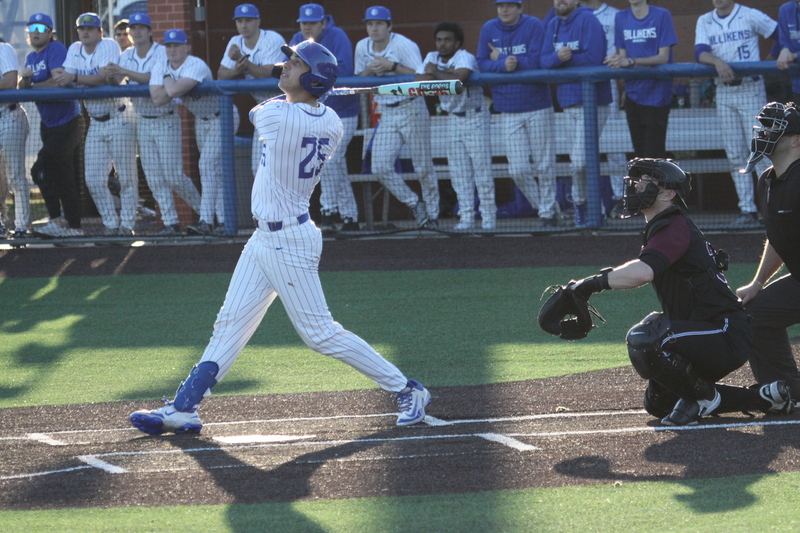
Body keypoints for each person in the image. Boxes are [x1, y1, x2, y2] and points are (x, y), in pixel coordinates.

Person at [129, 40, 431, 435]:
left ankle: (407, 388)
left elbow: (260, 110)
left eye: (295, 63)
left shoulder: (278, 118)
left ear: (314, 77)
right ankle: (185, 407)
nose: (284, 65)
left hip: (289, 241)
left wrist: (297, 89)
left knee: (320, 334)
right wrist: (306, 88)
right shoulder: (331, 122)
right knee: (230, 323)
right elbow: (295, 100)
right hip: (265, 238)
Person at [553, 157, 793, 425]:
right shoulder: (663, 224)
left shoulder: (673, 224)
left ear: (668, 193)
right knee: (658, 403)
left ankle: (704, 398)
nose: (636, 187)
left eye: (646, 183)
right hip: (705, 330)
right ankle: (761, 399)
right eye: (636, 182)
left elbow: (643, 272)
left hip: (724, 331)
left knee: (647, 338)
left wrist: (587, 285)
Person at [106, 12, 202, 236]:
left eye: (141, 27)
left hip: (165, 117)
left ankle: (206, 214)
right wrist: (111, 73)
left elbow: (153, 78)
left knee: (173, 175)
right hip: (142, 119)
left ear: (150, 31)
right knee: (153, 177)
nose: (136, 31)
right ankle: (170, 222)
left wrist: (124, 72)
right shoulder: (126, 54)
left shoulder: (162, 51)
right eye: (133, 28)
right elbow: (116, 81)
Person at [736, 101, 800, 403]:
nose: (763, 133)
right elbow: (777, 238)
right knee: (753, 313)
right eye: (762, 127)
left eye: (773, 129)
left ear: (795, 139)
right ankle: (785, 390)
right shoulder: (767, 180)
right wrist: (758, 283)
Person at [696, 0, 778, 228]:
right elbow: (700, 52)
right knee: (735, 154)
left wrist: (772, 60)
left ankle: (769, 209)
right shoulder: (705, 20)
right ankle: (746, 210)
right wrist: (718, 61)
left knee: (760, 152)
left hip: (750, 89)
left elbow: (780, 35)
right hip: (724, 91)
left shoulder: (750, 15)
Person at [355, 5, 438, 229]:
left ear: (389, 26)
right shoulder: (362, 46)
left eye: (379, 24)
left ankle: (433, 215)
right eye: (370, 24)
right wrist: (370, 72)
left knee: (422, 167)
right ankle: (414, 203)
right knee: (380, 166)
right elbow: (357, 79)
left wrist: (391, 66)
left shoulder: (403, 44)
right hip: (387, 111)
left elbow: (421, 77)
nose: (374, 28)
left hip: (411, 107)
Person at [477, 1, 558, 226]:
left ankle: (547, 215)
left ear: (520, 8)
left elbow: (538, 61)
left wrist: (504, 59)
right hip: (508, 107)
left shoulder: (533, 25)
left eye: (510, 6)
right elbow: (481, 62)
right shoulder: (489, 28)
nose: (504, 10)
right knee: (517, 169)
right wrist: (503, 63)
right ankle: (546, 207)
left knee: (544, 165)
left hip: (538, 105)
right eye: (500, 5)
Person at [152, 29, 238, 236]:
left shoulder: (195, 64)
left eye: (176, 45)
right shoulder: (160, 64)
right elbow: (157, 99)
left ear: (186, 47)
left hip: (223, 116)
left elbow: (171, 92)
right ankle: (222, 221)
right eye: (169, 46)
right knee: (212, 170)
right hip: (201, 120)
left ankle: (206, 221)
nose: (172, 50)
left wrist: (166, 79)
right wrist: (169, 81)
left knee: (207, 164)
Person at [62, 12, 138, 236]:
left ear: (99, 32)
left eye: (90, 28)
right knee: (93, 180)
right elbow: (65, 78)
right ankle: (111, 224)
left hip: (119, 117)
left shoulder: (108, 45)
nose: (85, 32)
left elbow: (103, 78)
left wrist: (75, 79)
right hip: (96, 121)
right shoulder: (74, 49)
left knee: (126, 177)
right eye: (81, 28)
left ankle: (127, 225)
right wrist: (69, 78)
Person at [415, 22, 495, 232]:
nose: (442, 44)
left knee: (482, 171)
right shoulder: (431, 56)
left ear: (457, 42)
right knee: (459, 173)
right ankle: (466, 217)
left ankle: (489, 220)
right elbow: (419, 80)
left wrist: (436, 74)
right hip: (452, 119)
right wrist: (441, 74)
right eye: (439, 39)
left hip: (475, 116)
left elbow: (458, 81)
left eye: (447, 39)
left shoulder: (464, 56)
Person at [289, 3, 361, 234]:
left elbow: (346, 71)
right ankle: (350, 217)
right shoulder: (298, 38)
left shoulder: (336, 35)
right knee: (330, 161)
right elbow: (291, 72)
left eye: (312, 23)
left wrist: (310, 74)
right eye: (304, 23)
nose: (307, 27)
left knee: (331, 158)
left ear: (323, 22)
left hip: (344, 111)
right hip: (316, 112)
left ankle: (330, 211)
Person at [541, 0, 612, 228]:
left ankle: (582, 204)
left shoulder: (588, 19)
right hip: (568, 101)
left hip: (594, 102)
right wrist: (557, 58)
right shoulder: (552, 23)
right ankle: (593, 210)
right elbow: (543, 61)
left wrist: (565, 59)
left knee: (581, 161)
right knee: (578, 160)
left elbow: (594, 58)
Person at [19, 13, 85, 238]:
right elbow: (24, 85)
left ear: (49, 31)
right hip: (48, 124)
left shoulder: (55, 49)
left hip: (68, 121)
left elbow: (58, 81)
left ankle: (57, 220)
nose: (35, 32)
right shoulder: (30, 57)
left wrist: (32, 87)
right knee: (62, 176)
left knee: (39, 170)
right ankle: (74, 229)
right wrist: (26, 80)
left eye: (40, 27)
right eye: (31, 28)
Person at [218, 3, 285, 177]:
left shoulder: (272, 39)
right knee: (259, 169)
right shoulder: (235, 42)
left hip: (284, 107)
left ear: (258, 21)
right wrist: (236, 70)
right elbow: (221, 75)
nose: (244, 25)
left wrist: (242, 60)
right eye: (239, 21)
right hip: (263, 109)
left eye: (248, 20)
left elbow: (268, 74)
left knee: (280, 171)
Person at [605, 0, 678, 160]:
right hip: (632, 93)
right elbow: (623, 57)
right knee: (640, 154)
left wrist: (632, 61)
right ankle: (646, 185)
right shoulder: (621, 17)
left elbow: (663, 57)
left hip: (658, 94)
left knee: (654, 154)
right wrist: (617, 60)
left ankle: (655, 185)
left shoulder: (661, 15)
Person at [581, 0, 628, 219]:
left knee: (614, 144)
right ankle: (591, 205)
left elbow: (623, 51)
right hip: (580, 82)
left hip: (607, 80)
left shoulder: (615, 15)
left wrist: (625, 85)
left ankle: (620, 199)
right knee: (582, 150)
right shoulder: (572, 14)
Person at [0, 37, 31, 238]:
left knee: (15, 176)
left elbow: (10, 81)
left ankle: (21, 226)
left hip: (9, 116)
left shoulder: (4, 48)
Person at [777, 1, 800, 103]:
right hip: (797, 86)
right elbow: (784, 41)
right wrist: (785, 50)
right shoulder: (785, 10)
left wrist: (795, 55)